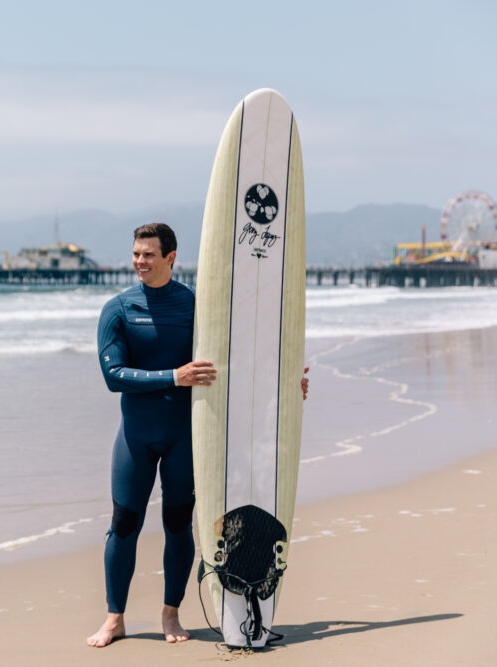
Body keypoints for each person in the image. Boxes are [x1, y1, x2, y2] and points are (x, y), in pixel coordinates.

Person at [86, 223, 308, 648]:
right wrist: (175, 375)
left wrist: (289, 381)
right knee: (124, 525)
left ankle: (171, 613)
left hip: (184, 438)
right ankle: (114, 618)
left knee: (177, 525)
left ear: (171, 258)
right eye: (136, 254)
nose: (140, 262)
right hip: (136, 437)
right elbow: (113, 376)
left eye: (149, 255)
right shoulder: (118, 309)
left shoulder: (197, 306)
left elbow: (238, 358)